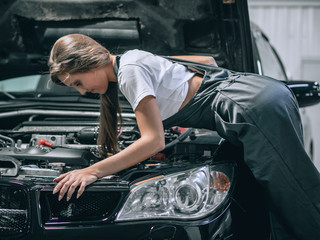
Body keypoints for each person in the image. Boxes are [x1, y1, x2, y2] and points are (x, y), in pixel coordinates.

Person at [48, 34, 320, 240]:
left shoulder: (129, 72)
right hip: (253, 101)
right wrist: (185, 105)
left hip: (252, 108)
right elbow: (208, 63)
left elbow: (153, 142)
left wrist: (93, 171)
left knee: (295, 197)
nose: (82, 92)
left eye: (78, 84)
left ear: (89, 63)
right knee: (261, 196)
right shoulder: (133, 58)